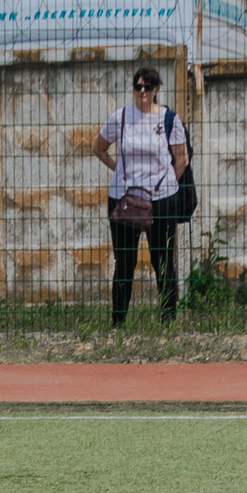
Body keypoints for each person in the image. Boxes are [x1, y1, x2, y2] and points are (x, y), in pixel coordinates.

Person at [93, 65, 191, 324]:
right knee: (124, 262)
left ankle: (168, 319)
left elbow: (181, 159)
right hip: (124, 198)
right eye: (138, 87)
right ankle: (118, 323)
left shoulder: (169, 119)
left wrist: (165, 184)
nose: (142, 92)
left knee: (163, 260)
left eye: (148, 87)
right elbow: (99, 148)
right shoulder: (121, 117)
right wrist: (119, 170)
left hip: (161, 200)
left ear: (156, 89)